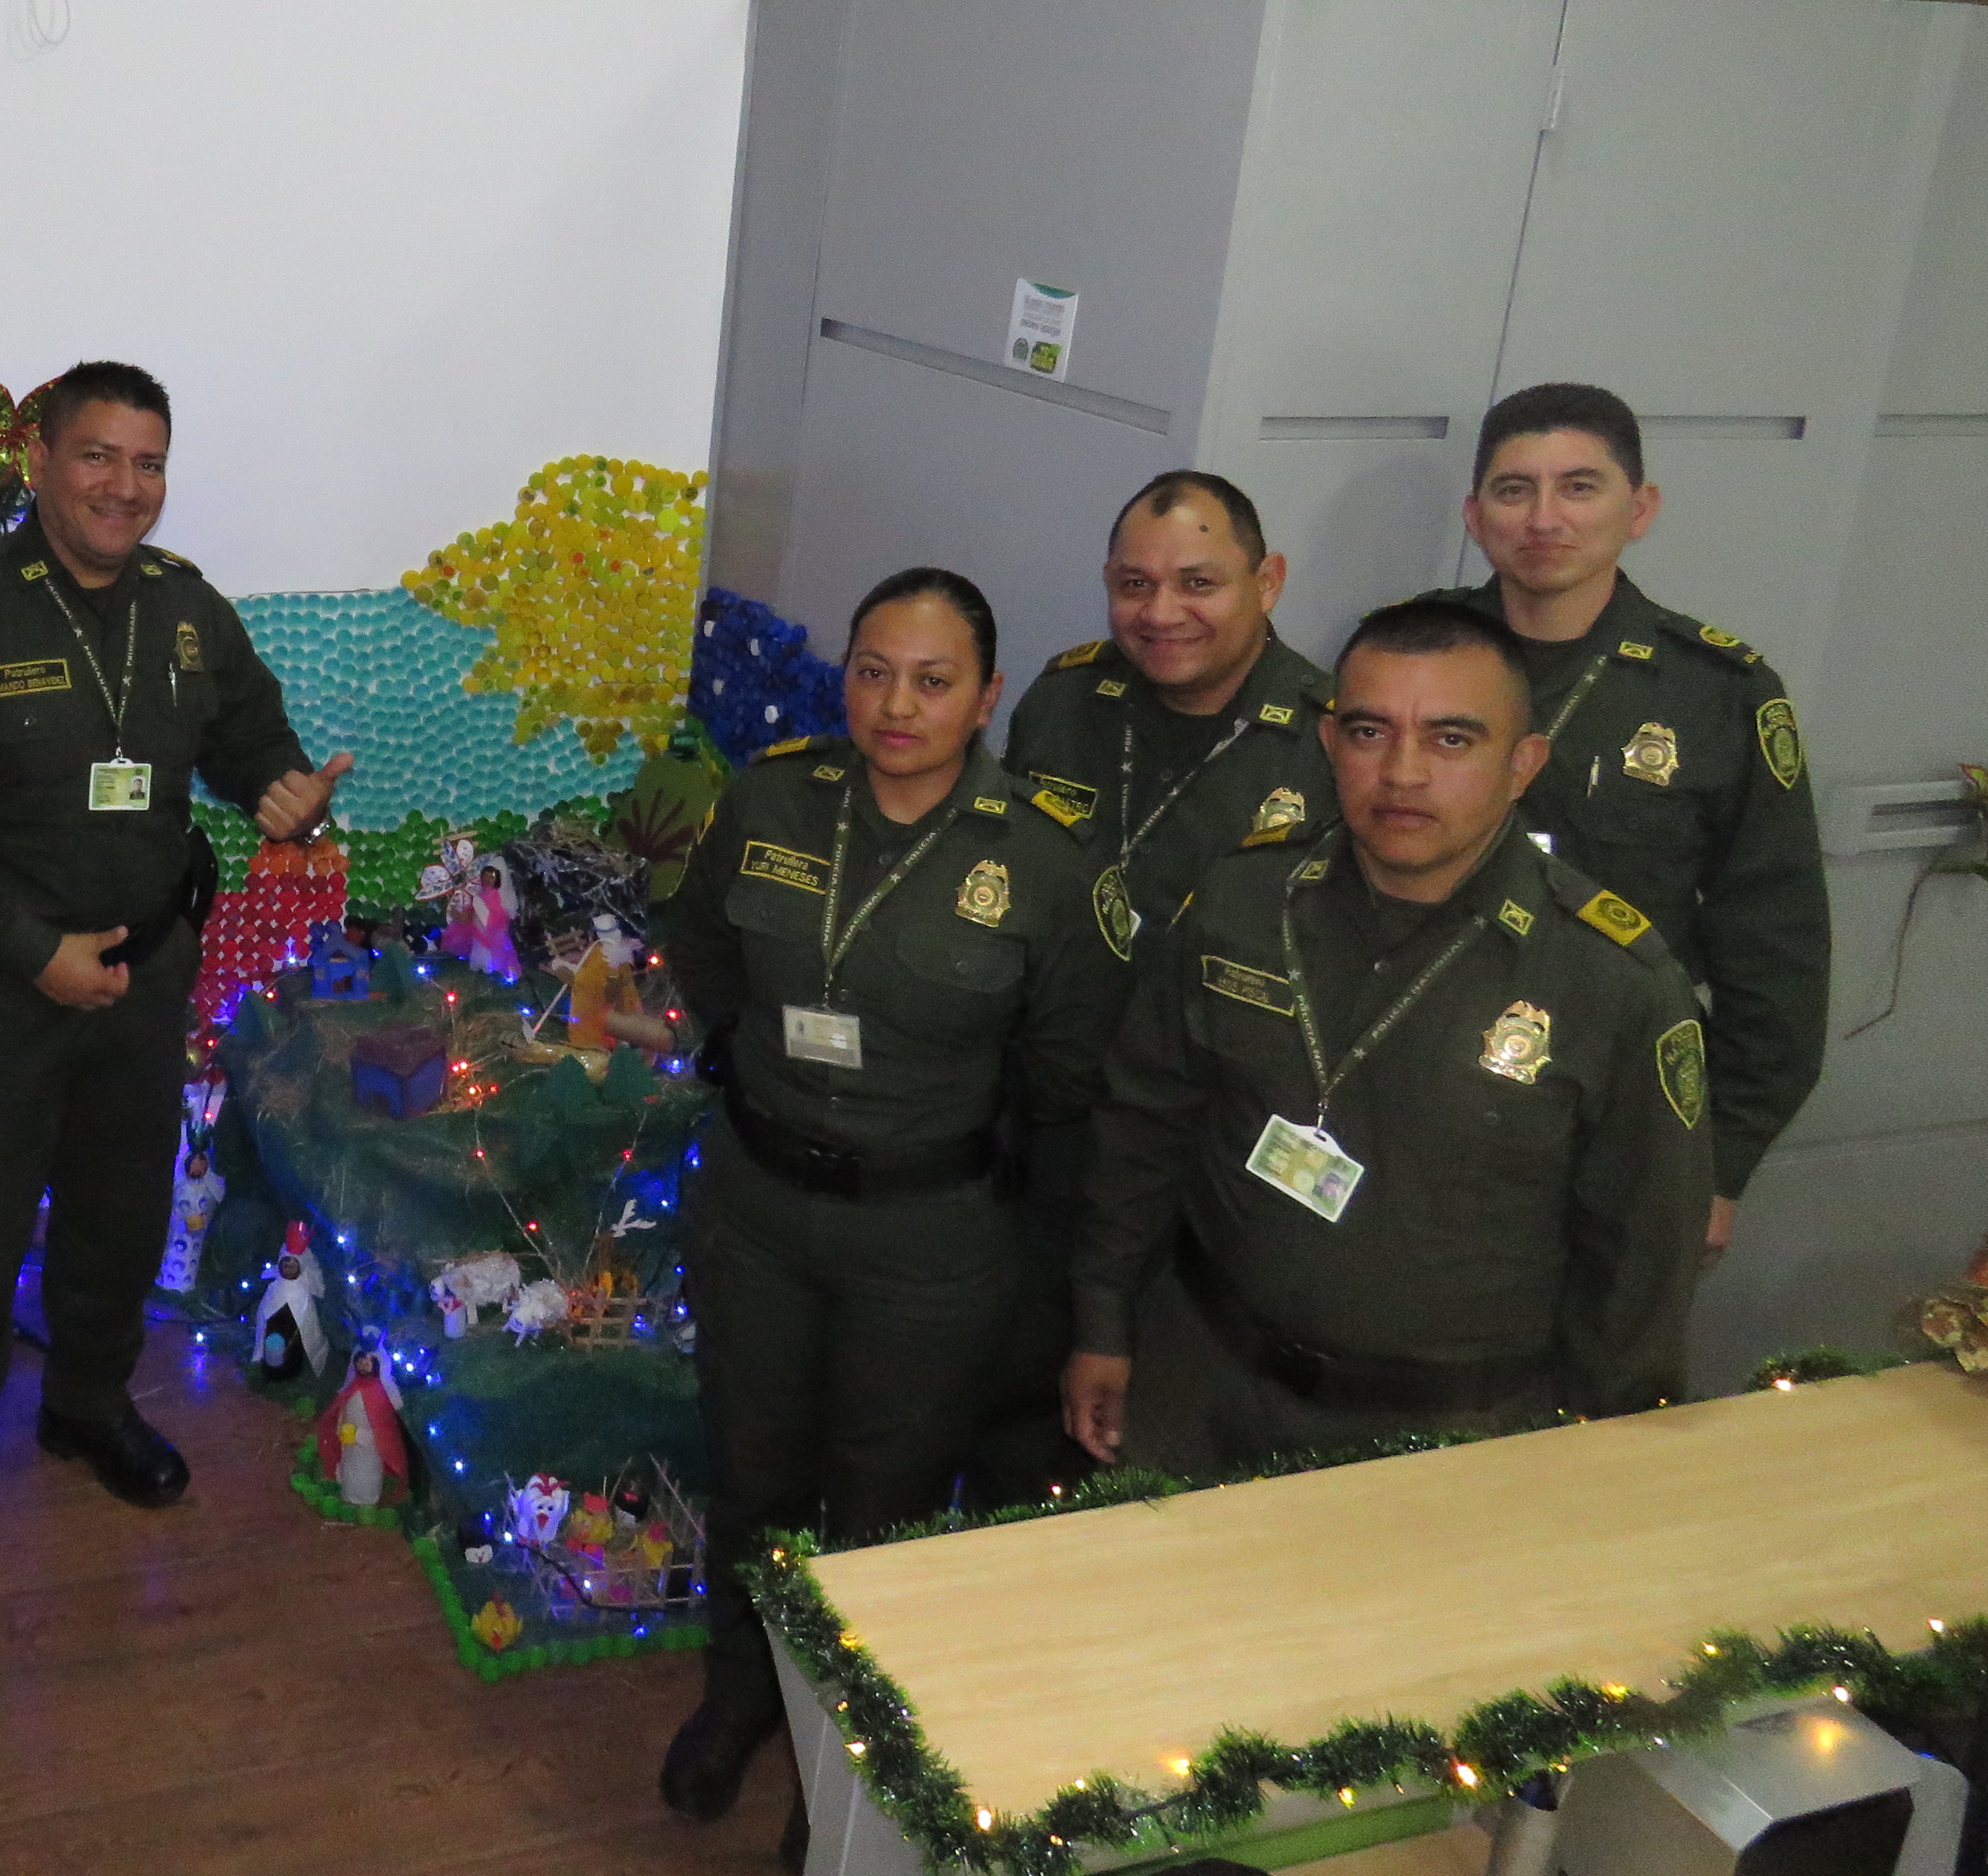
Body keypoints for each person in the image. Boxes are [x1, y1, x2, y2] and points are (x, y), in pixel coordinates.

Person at [0, 360, 348, 1601]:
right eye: (98, 456)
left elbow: (246, 728)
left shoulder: (184, 606)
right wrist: (36, 953)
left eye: (148, 462)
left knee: (119, 1219)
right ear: (40, 464)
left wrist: (280, 785)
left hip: (143, 976)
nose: (126, 486)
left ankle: (87, 1402)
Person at [654, 567, 1129, 1843]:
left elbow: (1066, 1070)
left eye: (932, 680)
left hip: (928, 1237)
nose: (896, 705)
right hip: (758, 1205)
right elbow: (702, 944)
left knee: (884, 1515)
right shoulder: (772, 797)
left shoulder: (1042, 861)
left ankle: (838, 1779)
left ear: (985, 697)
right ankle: (738, 1697)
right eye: (873, 672)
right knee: (752, 1477)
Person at [1064, 599, 1713, 1478]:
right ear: (1330, 743)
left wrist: (1596, 1469)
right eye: (1371, 732)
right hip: (1201, 1389)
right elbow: (1144, 1126)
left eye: (1451, 739)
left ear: (1522, 764)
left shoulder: (1612, 983)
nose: (1403, 773)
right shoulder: (1242, 904)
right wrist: (1103, 1325)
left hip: (1449, 1439)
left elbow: (1640, 1272)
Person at [1430, 383, 1827, 1255]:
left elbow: (1779, 953)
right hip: (1413, 1075)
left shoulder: (1718, 693)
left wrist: (1720, 1165)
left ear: (1639, 509)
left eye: (1579, 487)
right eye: (1513, 490)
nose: (1544, 518)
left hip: (1614, 1111)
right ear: (1475, 515)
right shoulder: (1409, 655)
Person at [1005, 470, 1337, 949]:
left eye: (1198, 584)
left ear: (1267, 583)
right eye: (1136, 584)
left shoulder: (1332, 741)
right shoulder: (1062, 700)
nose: (1161, 614)